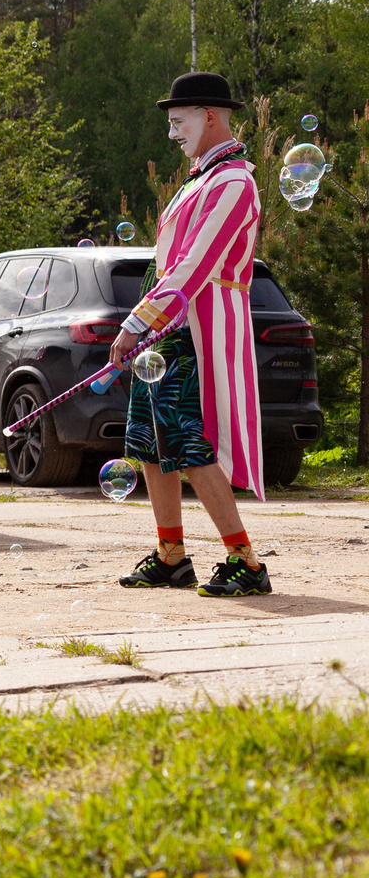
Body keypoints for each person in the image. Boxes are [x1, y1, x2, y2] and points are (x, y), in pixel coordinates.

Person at [111, 72, 271, 598]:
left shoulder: (234, 182)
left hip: (195, 332)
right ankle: (171, 555)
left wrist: (137, 321)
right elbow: (166, 267)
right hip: (166, 331)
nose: (173, 133)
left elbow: (195, 266)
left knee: (191, 443)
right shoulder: (197, 182)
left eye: (178, 122)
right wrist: (144, 324)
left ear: (209, 115)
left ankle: (246, 561)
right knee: (152, 444)